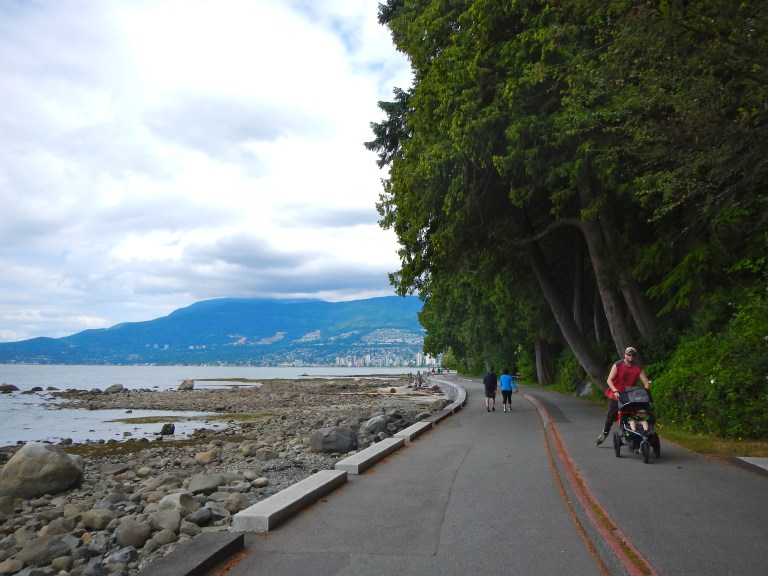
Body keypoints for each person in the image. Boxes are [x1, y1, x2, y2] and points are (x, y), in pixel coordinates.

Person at [596, 346, 651, 445]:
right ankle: (605, 433)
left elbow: (646, 382)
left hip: (629, 395)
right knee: (611, 415)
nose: (631, 357)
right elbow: (609, 380)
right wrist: (615, 391)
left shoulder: (637, 369)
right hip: (616, 394)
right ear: (625, 355)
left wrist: (645, 392)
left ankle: (632, 433)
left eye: (633, 355)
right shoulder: (618, 365)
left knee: (632, 414)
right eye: (629, 354)